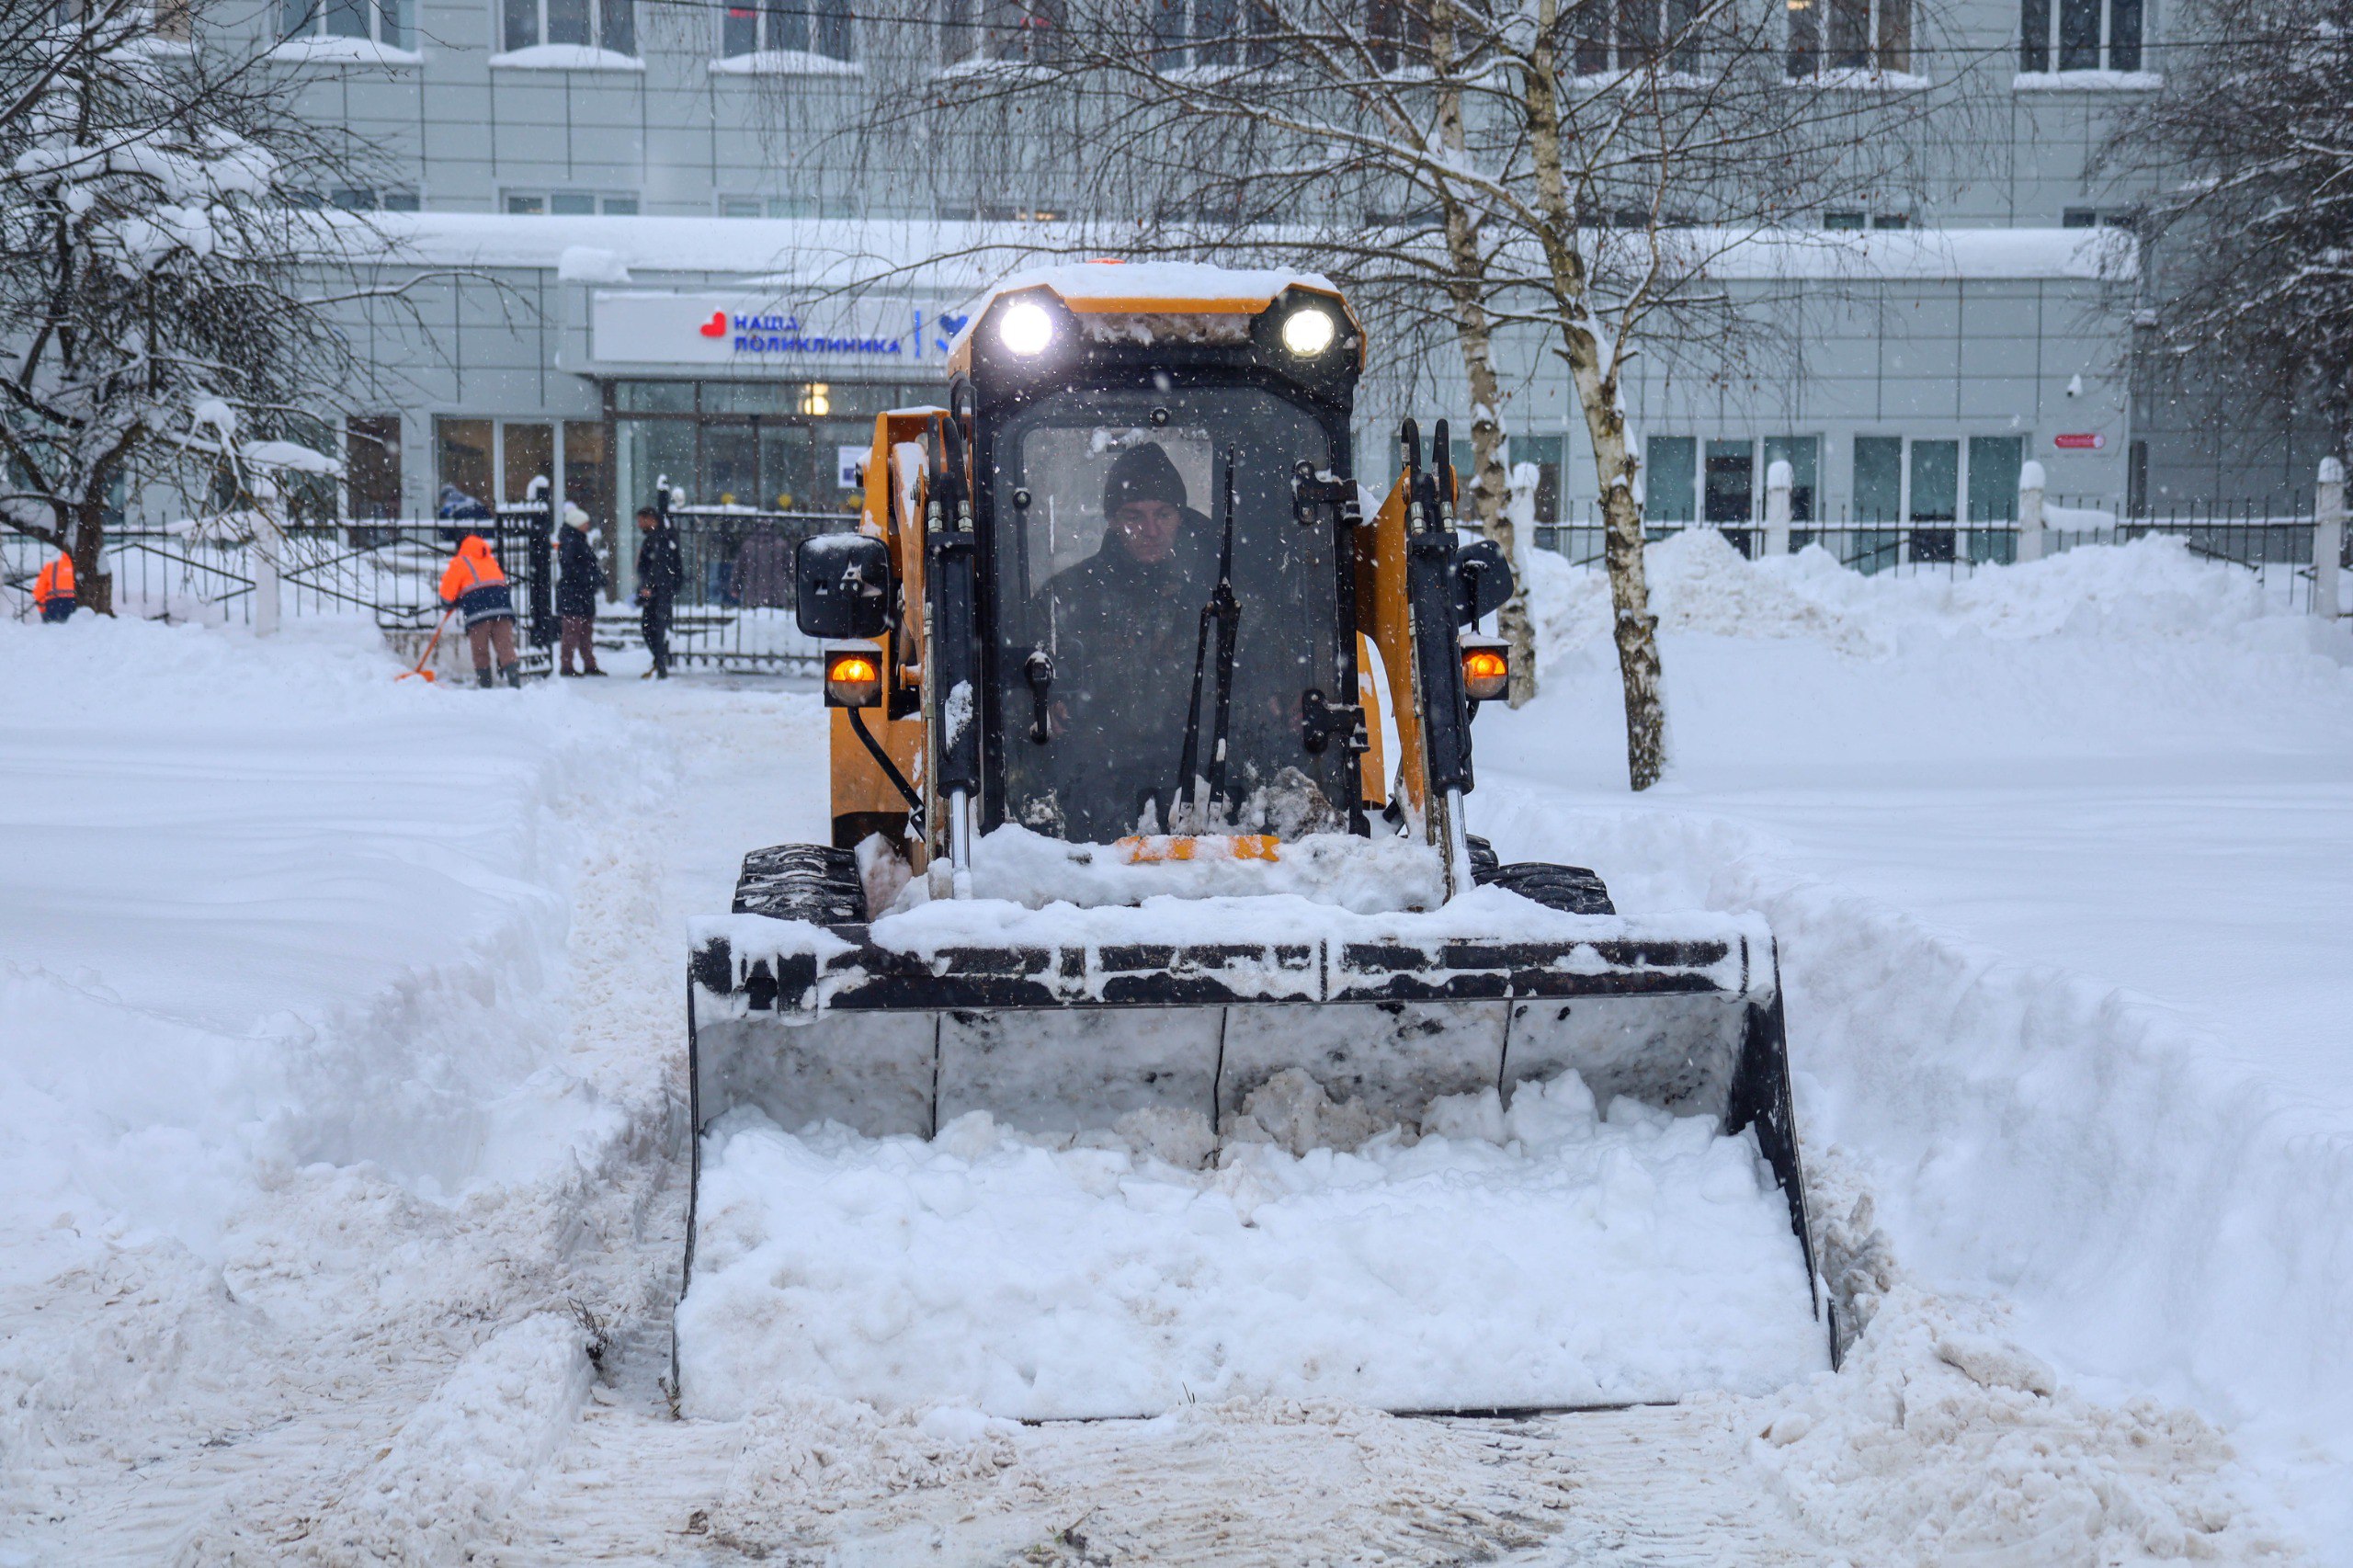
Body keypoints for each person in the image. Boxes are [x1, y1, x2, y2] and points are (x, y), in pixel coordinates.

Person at [1034, 442, 1215, 834]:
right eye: (1134, 516)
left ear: (1180, 517)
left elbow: (1265, 668)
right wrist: (1042, 705)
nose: (1150, 531)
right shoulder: (1066, 598)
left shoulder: (1214, 599)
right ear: (1112, 520)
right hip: (1092, 805)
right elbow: (1016, 682)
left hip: (1202, 801)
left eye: (1163, 515)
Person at [438, 533, 521, 688]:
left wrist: (449, 603)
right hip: (503, 608)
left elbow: (447, 595)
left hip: (478, 611)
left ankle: (485, 686)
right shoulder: (489, 560)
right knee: (506, 648)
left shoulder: (460, 562)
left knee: (480, 650)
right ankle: (515, 684)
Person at [555, 503, 607, 676]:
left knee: (581, 630)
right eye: (585, 522)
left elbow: (579, 566)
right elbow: (573, 568)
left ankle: (583, 663)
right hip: (576, 593)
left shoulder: (575, 541)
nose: (588, 525)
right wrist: (591, 578)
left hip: (578, 592)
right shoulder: (573, 543)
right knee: (576, 630)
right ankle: (570, 664)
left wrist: (593, 578)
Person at [634, 504, 683, 680]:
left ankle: (660, 660)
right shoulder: (658, 537)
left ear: (652, 519)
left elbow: (658, 565)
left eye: (642, 520)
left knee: (652, 626)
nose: (639, 524)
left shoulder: (660, 537)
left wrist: (649, 585)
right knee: (653, 626)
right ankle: (659, 659)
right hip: (658, 588)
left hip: (659, 589)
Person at [32, 550, 76, 623]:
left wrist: (42, 609)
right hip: (73, 603)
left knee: (53, 631)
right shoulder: (82, 568)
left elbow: (39, 590)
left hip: (54, 604)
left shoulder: (51, 567)